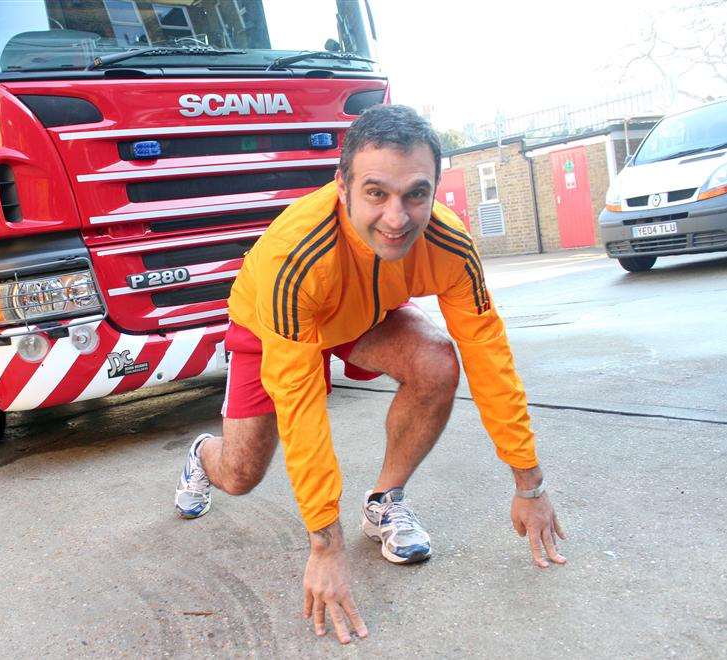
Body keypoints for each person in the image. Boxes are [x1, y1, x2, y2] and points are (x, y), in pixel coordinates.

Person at [173, 105, 566, 645]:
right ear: (343, 186)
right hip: (276, 325)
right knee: (241, 475)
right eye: (376, 193)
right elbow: (303, 408)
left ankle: (385, 504)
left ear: (434, 189)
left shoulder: (450, 245)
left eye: (415, 194)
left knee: (437, 362)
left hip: (364, 314)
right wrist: (324, 544)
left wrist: (530, 481)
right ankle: (202, 455)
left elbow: (490, 358)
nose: (397, 218)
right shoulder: (298, 256)